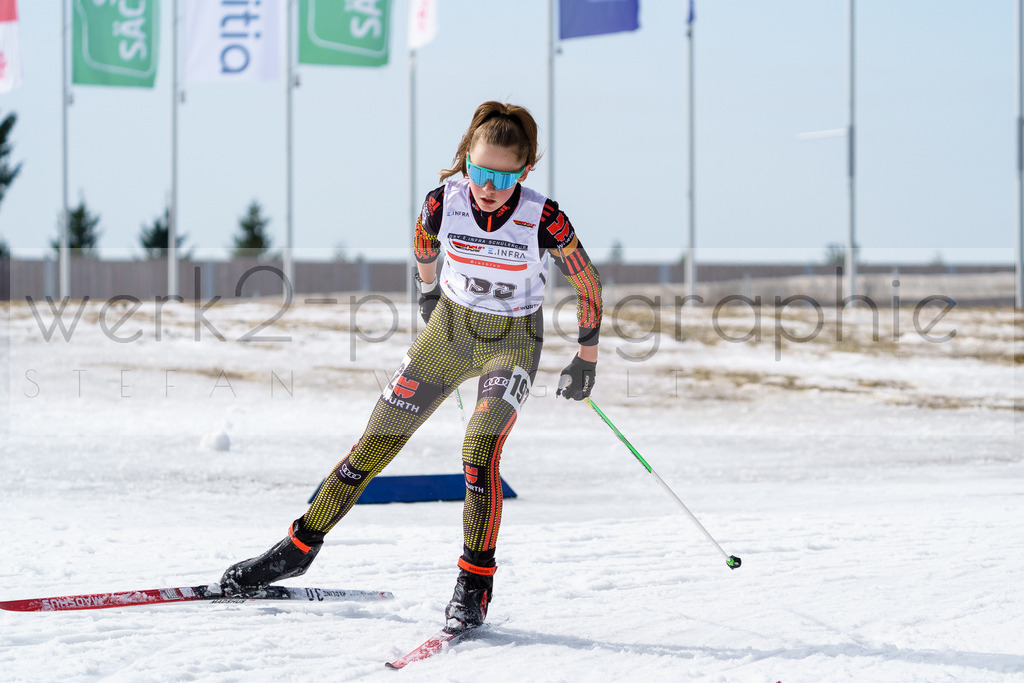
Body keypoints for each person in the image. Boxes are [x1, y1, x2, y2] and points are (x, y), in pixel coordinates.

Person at [220, 101, 604, 631]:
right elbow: (423, 245)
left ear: (525, 171)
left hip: (511, 340)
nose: (487, 185)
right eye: (477, 170)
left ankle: (474, 583)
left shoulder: (544, 217)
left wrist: (586, 356)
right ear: (465, 160)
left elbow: (587, 281)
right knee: (372, 446)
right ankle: (297, 548)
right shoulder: (442, 202)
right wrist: (428, 292)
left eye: (502, 175)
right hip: (449, 331)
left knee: (478, 451)